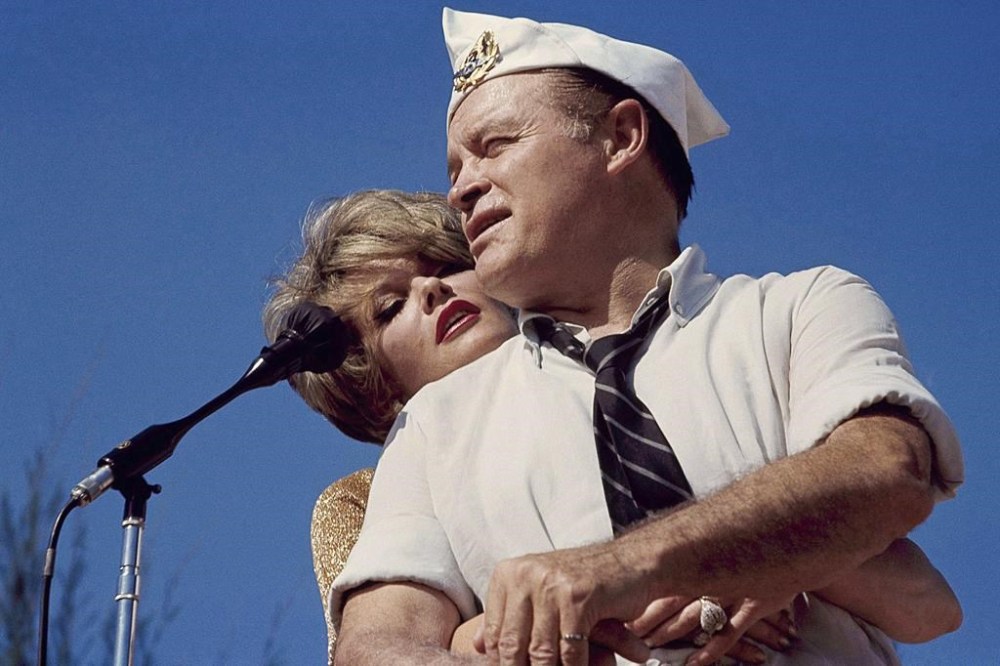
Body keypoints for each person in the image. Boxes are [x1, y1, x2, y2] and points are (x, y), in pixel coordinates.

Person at [330, 8, 964, 666]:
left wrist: (628, 568)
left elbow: (886, 469)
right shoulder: (435, 424)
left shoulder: (801, 307)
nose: (461, 190)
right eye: (455, 166)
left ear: (622, 136)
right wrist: (513, 647)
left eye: (495, 146)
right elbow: (378, 647)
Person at [266, 190, 958, 663]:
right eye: (389, 309)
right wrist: (525, 627)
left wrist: (752, 557)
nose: (432, 290)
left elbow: (927, 606)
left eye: (447, 265)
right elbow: (383, 647)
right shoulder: (382, 485)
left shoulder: (695, 360)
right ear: (372, 389)